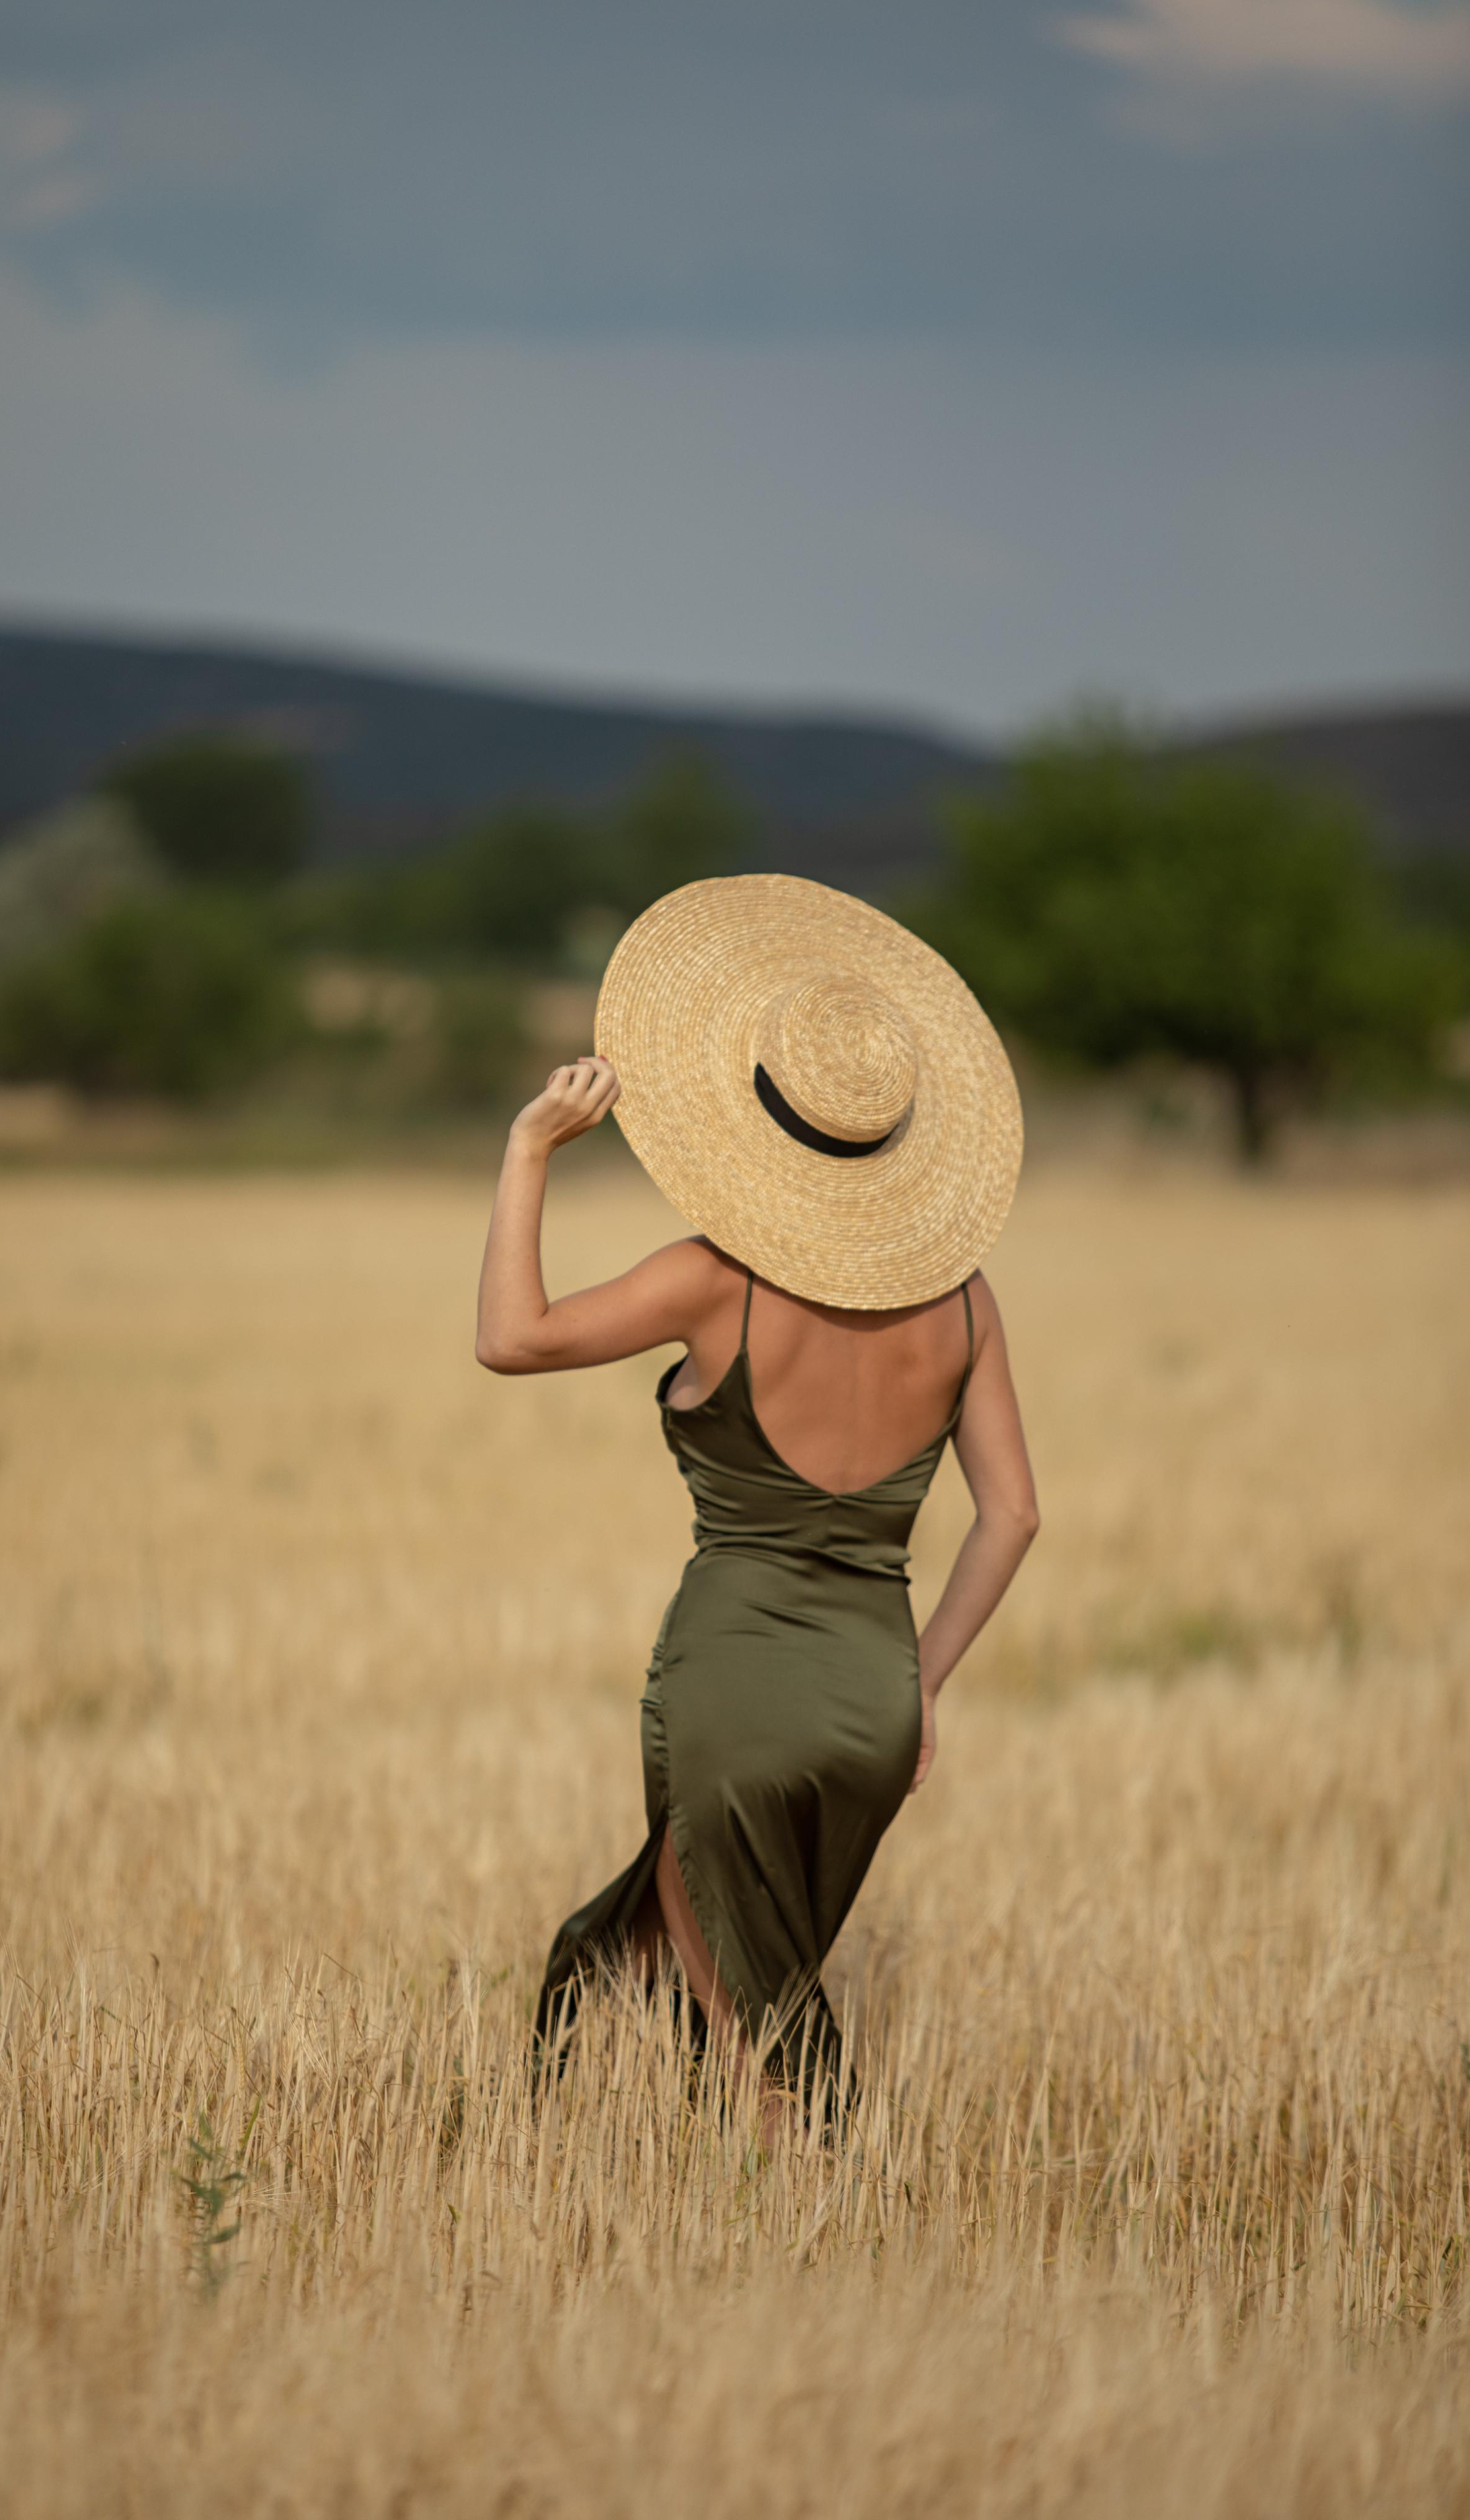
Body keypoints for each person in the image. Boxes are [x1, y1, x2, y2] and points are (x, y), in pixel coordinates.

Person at [475, 874, 1038, 2123]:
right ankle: (654, 2166)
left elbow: (511, 1339)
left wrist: (528, 1152)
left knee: (750, 2023)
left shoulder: (708, 1280)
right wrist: (923, 1681)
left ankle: (781, 2219)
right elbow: (1016, 1516)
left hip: (730, 1680)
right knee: (741, 1964)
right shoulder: (963, 1301)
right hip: (872, 1697)